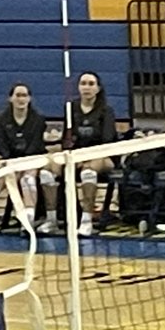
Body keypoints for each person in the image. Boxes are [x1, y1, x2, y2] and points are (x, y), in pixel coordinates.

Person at [0, 83, 59, 236]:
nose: (21, 99)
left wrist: (22, 164)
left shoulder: (38, 119)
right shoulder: (1, 118)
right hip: (10, 160)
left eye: (24, 95)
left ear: (29, 98)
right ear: (10, 98)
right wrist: (10, 161)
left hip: (32, 159)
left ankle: (27, 220)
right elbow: (0, 144)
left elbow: (36, 145)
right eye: (17, 95)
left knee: (27, 180)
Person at [63, 71, 117, 236]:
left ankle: (86, 221)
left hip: (103, 157)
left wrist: (85, 156)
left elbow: (107, 141)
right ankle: (52, 219)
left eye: (91, 84)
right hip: (78, 156)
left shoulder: (106, 111)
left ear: (98, 88)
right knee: (48, 171)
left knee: (88, 170)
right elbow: (66, 138)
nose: (87, 87)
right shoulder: (71, 108)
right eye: (83, 83)